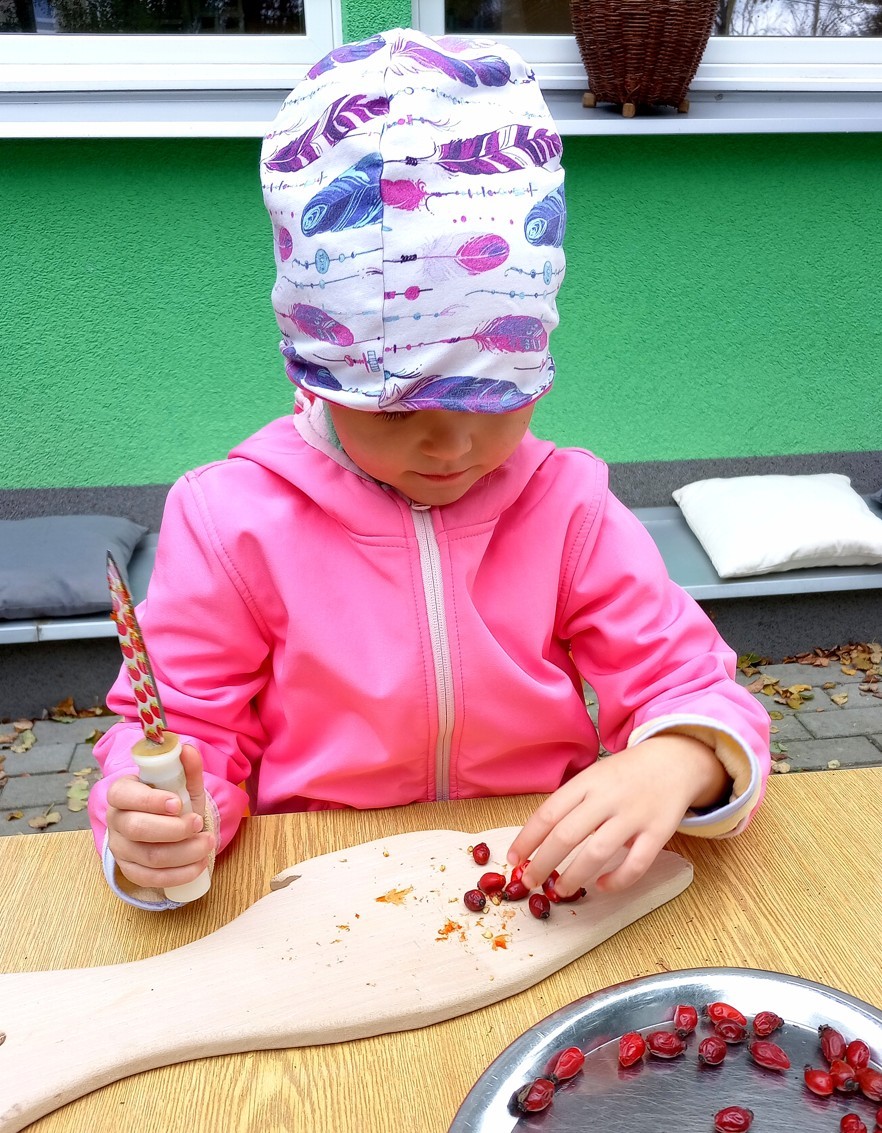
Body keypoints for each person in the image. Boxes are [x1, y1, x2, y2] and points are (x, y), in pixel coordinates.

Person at [89, 28, 771, 910]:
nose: (451, 448)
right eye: (397, 409)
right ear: (320, 376)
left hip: (532, 877)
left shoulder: (568, 506)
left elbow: (689, 680)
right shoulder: (232, 519)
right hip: (313, 889)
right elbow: (180, 725)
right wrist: (161, 823)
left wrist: (680, 758)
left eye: (493, 400)